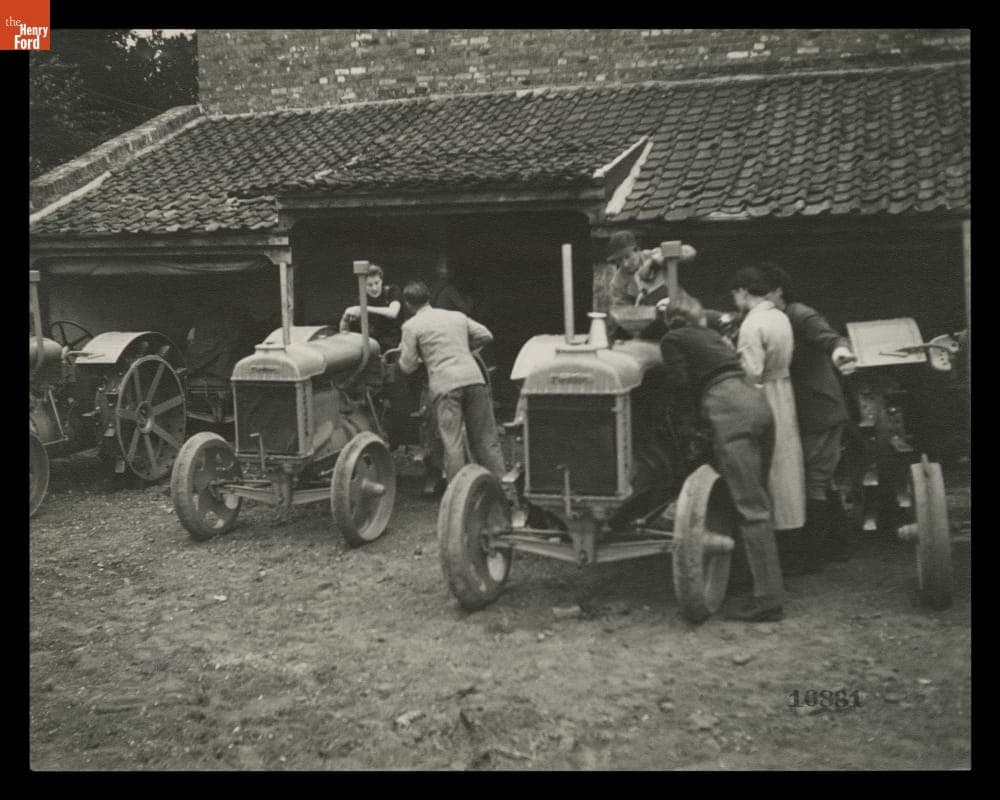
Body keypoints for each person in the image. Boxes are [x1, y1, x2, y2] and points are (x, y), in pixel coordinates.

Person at [656, 293, 785, 621]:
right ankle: (744, 578)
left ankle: (768, 600)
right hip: (757, 406)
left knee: (751, 508)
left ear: (670, 321)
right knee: (748, 499)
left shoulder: (673, 338)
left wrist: (685, 428)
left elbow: (681, 385)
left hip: (728, 410)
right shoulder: (713, 336)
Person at [765, 266, 857, 568]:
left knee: (813, 480)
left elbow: (831, 339)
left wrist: (840, 352)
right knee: (821, 479)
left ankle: (812, 556)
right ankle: (838, 546)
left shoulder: (800, 314)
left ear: (778, 290)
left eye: (763, 291)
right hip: (815, 409)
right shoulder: (778, 317)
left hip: (819, 410)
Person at [397, 281, 506, 482]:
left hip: (446, 386)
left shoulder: (411, 326)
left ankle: (458, 494)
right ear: (429, 297)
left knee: (452, 443)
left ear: (408, 304)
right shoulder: (456, 316)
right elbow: (486, 335)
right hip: (474, 380)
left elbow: (408, 366)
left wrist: (418, 356)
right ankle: (503, 488)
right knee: (486, 439)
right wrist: (463, 348)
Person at [729, 267, 807, 545]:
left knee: (769, 463)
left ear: (743, 292)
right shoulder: (779, 316)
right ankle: (792, 527)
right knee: (786, 461)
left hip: (764, 394)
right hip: (784, 389)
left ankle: (771, 534)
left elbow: (751, 371)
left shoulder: (753, 324)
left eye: (735, 294)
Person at [340, 263, 404, 353]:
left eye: (377, 283)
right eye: (369, 285)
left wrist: (364, 308)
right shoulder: (360, 300)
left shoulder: (392, 291)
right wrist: (345, 317)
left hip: (394, 348)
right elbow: (345, 333)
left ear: (382, 280)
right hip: (373, 348)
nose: (374, 288)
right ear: (363, 286)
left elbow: (393, 312)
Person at [606, 230, 644, 308]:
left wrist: (654, 263)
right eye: (619, 260)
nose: (625, 264)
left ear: (637, 250)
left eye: (627, 257)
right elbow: (623, 312)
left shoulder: (652, 257)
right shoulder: (617, 283)